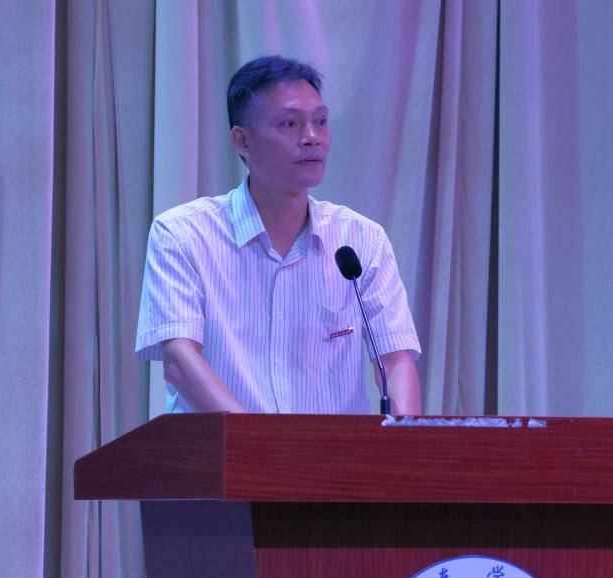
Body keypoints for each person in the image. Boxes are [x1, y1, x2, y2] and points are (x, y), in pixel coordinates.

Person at [136, 56, 422, 415]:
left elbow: (395, 361)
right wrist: (257, 442)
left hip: (331, 450)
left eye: (321, 121)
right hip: (223, 448)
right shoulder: (182, 235)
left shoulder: (362, 240)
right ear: (242, 141)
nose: (312, 138)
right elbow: (179, 360)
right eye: (289, 124)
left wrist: (405, 437)